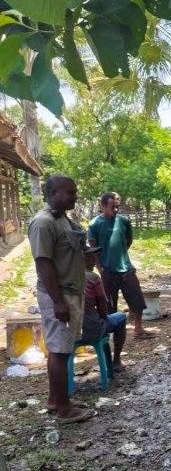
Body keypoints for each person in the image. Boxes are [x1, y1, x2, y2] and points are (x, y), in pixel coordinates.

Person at [28, 174, 96, 424]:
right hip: (60, 295)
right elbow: (43, 263)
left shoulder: (63, 220)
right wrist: (57, 301)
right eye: (70, 193)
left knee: (64, 350)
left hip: (71, 292)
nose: (75, 196)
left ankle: (56, 400)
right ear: (53, 193)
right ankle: (65, 411)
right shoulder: (43, 223)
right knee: (58, 351)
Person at [87, 192, 154, 339]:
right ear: (103, 206)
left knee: (136, 298)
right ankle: (113, 332)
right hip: (107, 271)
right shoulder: (95, 225)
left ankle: (138, 328)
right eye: (112, 206)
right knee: (109, 303)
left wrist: (121, 256)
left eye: (118, 206)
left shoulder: (124, 222)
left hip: (126, 268)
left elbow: (128, 241)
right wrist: (100, 267)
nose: (116, 210)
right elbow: (93, 249)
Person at [82, 245, 127, 370]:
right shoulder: (93, 278)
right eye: (90, 256)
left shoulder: (64, 276)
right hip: (91, 329)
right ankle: (116, 361)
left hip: (69, 331)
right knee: (121, 317)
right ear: (82, 258)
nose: (94, 259)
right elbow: (103, 310)